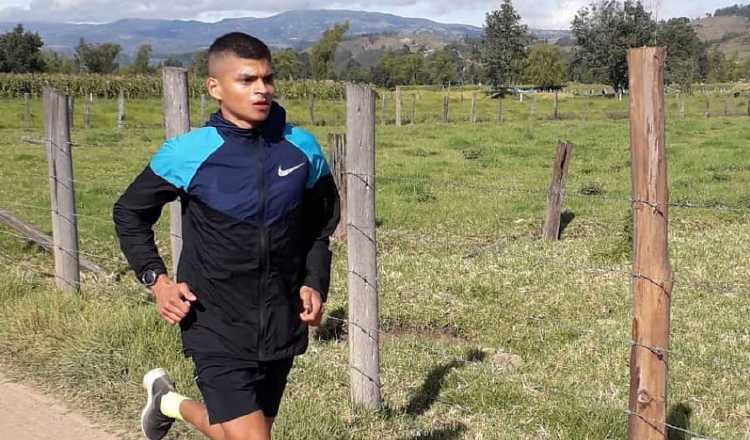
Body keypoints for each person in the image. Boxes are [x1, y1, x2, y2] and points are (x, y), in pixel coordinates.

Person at [112, 32, 340, 440]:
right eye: (247, 80)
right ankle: (169, 402)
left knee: (238, 432)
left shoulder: (302, 149)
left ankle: (168, 403)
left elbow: (319, 229)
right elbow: (129, 213)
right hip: (212, 319)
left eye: (267, 79)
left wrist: (313, 282)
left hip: (281, 320)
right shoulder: (187, 153)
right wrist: (157, 281)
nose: (261, 90)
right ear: (215, 87)